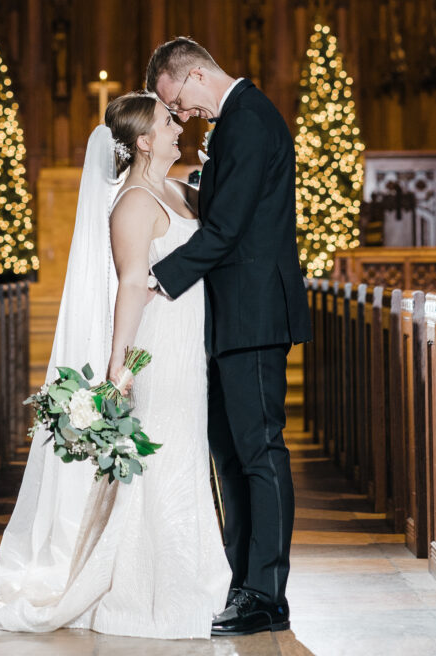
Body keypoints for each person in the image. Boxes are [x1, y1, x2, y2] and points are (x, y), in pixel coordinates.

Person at [0, 92, 230, 638]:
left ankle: (197, 575)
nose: (180, 127)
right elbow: (131, 284)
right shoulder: (132, 203)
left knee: (185, 456)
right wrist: (119, 371)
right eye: (168, 121)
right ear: (143, 141)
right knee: (164, 459)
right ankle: (152, 584)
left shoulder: (177, 190)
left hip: (191, 344)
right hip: (158, 346)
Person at [146, 37, 312, 638]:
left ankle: (266, 592)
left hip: (254, 313)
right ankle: (242, 580)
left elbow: (228, 228)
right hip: (233, 313)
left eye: (178, 103)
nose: (183, 118)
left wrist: (156, 281)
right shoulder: (238, 121)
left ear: (191, 75)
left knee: (259, 452)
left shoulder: (247, 119)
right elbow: (230, 205)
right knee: (232, 454)